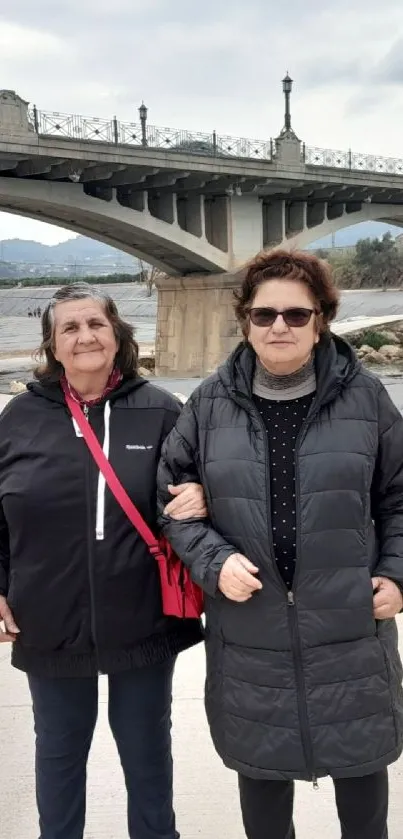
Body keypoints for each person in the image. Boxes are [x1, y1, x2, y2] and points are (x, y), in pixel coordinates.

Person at [158, 249, 403, 839]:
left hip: (349, 623)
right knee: (261, 782)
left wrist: (397, 574)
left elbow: (399, 498)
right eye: (265, 314)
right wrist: (213, 562)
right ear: (244, 319)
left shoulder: (367, 398)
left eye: (297, 315)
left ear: (321, 320)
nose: (279, 327)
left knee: (363, 781)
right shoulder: (209, 404)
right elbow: (169, 502)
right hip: (250, 628)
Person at [0, 282, 206, 839]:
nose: (84, 336)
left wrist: (203, 495)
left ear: (117, 335)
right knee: (59, 753)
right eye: (69, 327)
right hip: (48, 615)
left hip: (141, 611)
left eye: (95, 324)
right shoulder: (19, 417)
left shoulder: (161, 411)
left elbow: (199, 489)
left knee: (146, 752)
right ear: (52, 345)